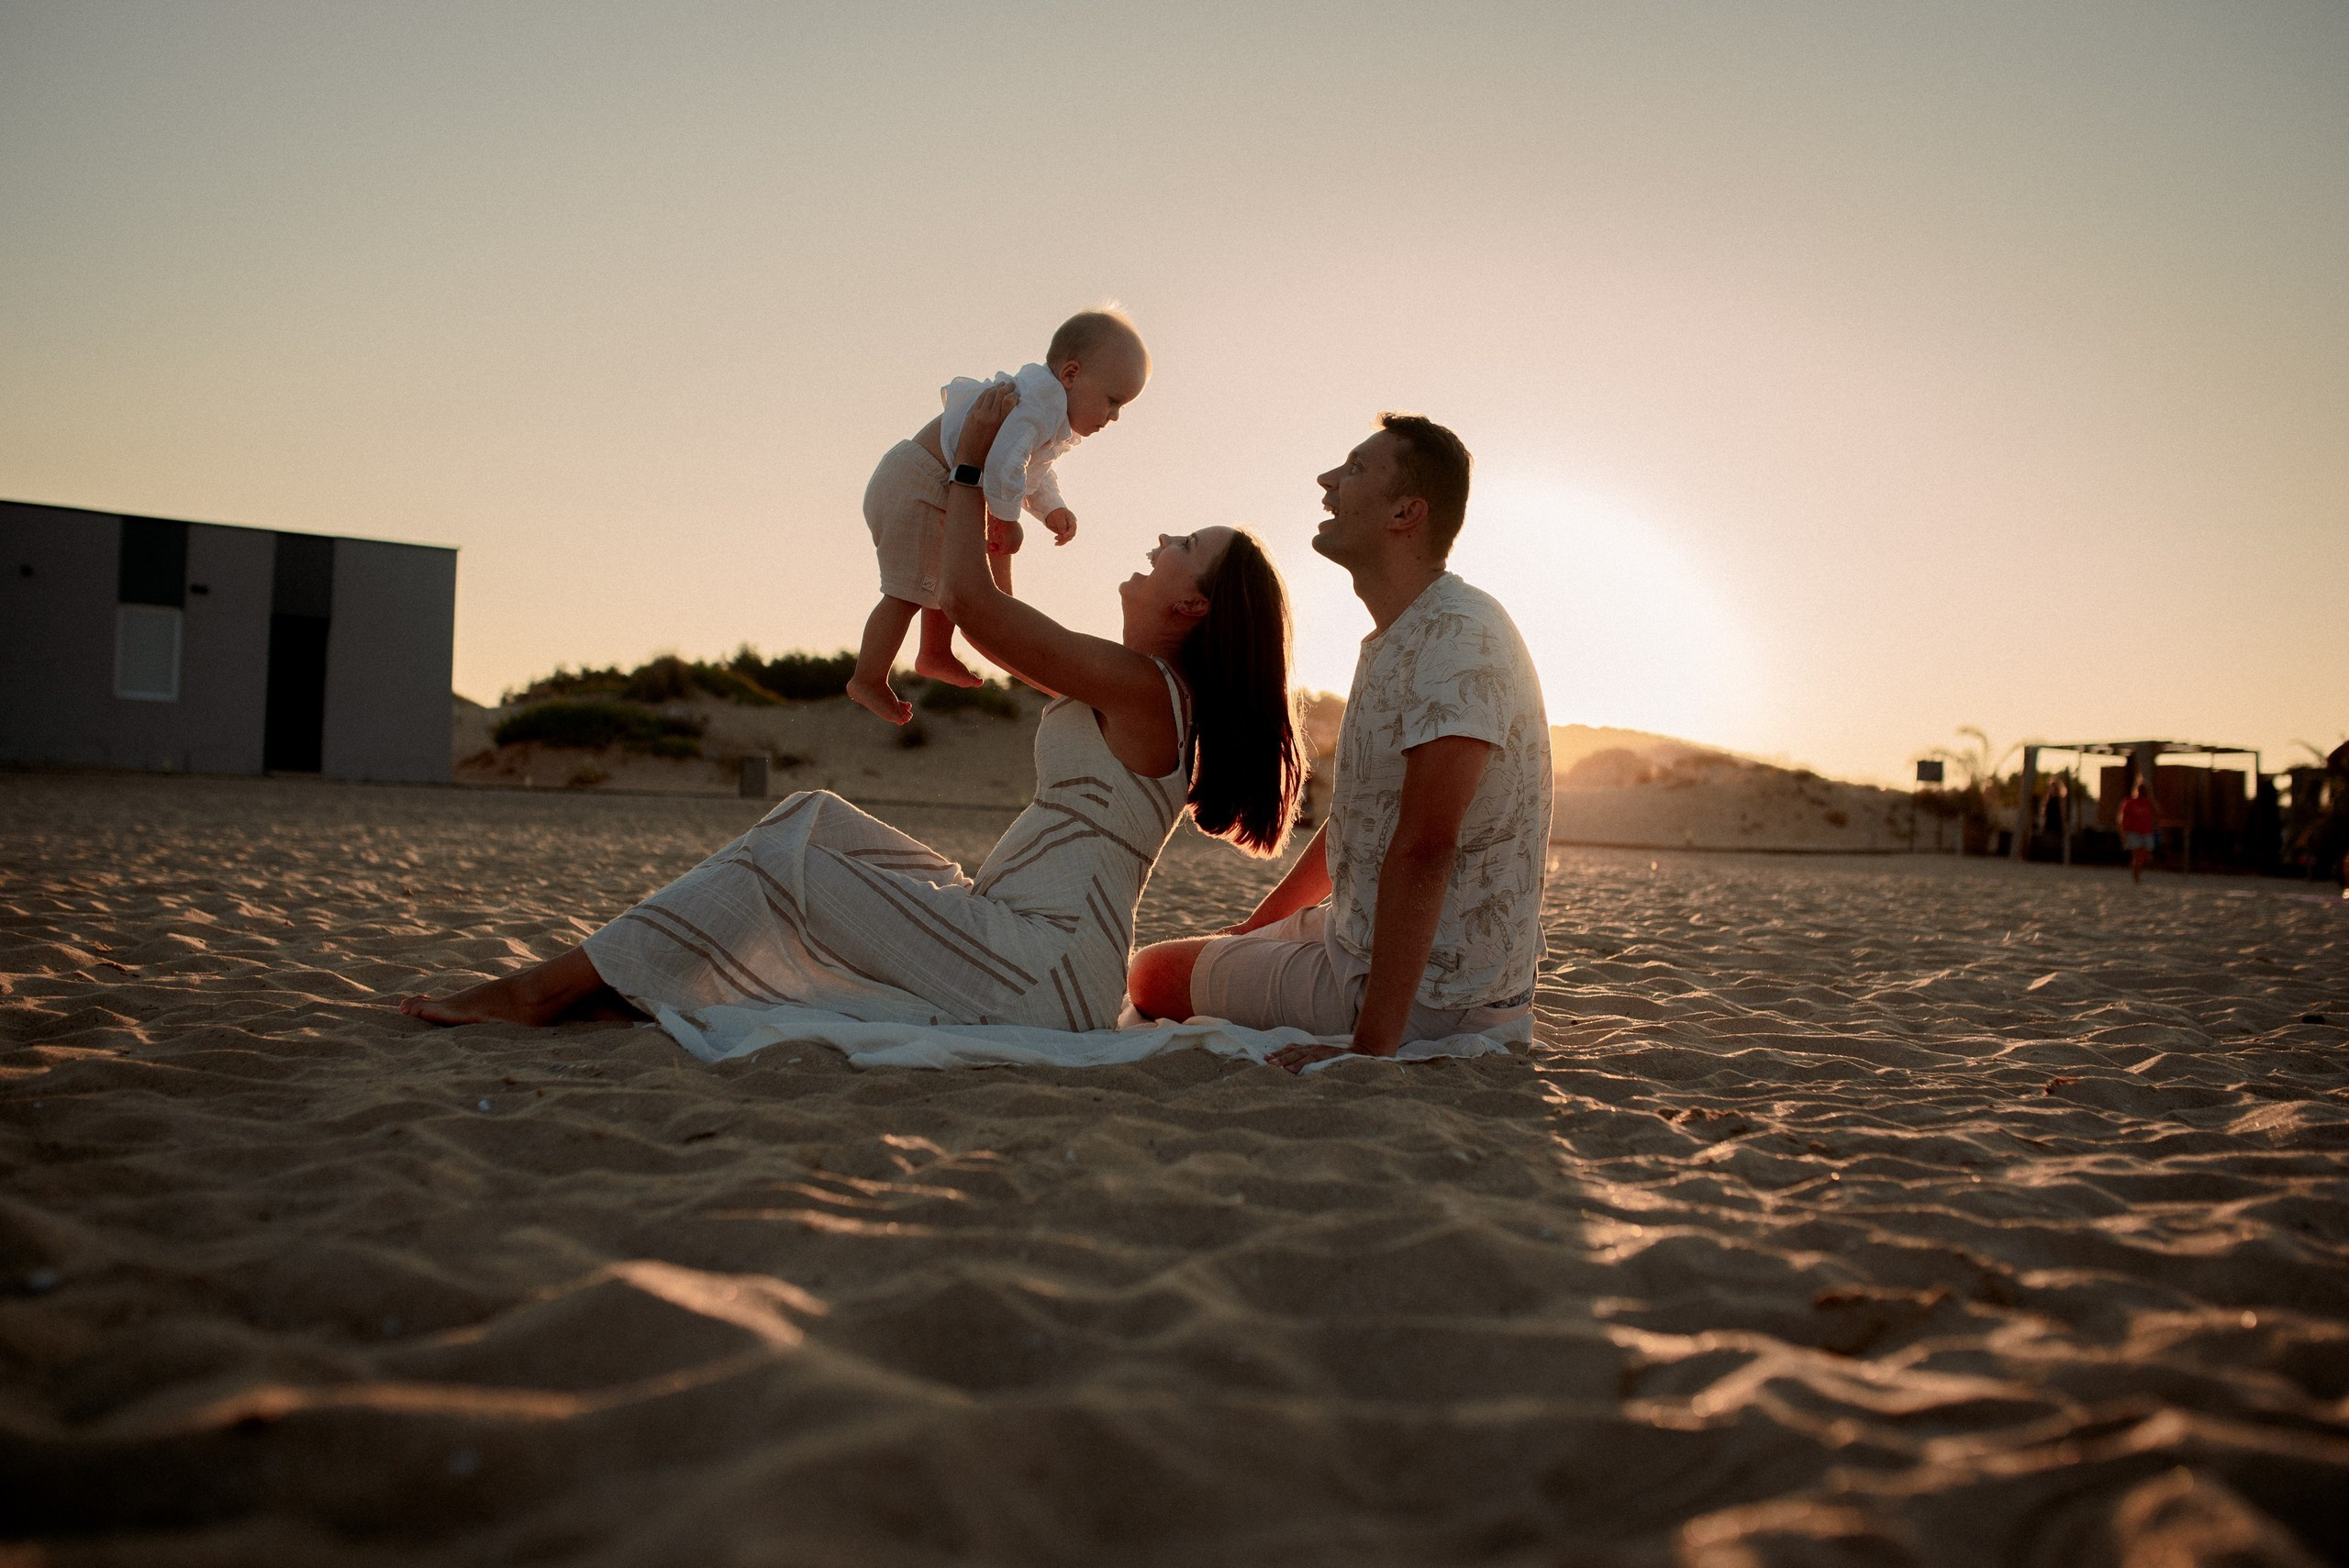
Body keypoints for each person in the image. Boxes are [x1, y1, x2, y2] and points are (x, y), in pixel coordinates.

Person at [402, 383, 1301, 1032]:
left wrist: (964, 467)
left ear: (1195, 607)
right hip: (1021, 940)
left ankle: (543, 990)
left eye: (1182, 545)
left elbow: (979, 611)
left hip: (1039, 969)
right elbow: (997, 629)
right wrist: (994, 513)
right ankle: (620, 978)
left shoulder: (1146, 689)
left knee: (786, 851)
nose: (1158, 541)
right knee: (814, 815)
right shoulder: (1131, 682)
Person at [1127, 414, 1553, 1073]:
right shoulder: (1405, 631)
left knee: (1149, 977)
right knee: (1191, 956)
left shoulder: (1458, 638)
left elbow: (1427, 845)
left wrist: (1368, 1048)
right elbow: (1361, 823)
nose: (1327, 482)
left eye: (1354, 469)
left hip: (1435, 994)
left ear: (1406, 512)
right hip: (1357, 938)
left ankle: (1378, 1024)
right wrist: (1252, 931)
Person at [846, 309, 1151, 724]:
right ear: (1072, 374)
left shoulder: (1048, 410)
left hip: (934, 484)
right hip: (917, 483)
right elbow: (1007, 461)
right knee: (904, 593)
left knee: (941, 575)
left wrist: (1051, 509)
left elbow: (1029, 471)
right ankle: (867, 677)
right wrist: (1006, 521)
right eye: (1113, 401)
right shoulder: (1039, 404)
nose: (1113, 416)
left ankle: (933, 653)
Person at [2118, 774, 2159, 884]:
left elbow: (2157, 812)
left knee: (2144, 857)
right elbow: (2121, 819)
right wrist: (2123, 834)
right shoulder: (2129, 802)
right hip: (2133, 832)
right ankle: (2136, 877)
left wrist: (2151, 796)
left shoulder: (2148, 802)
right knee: (2136, 856)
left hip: (2146, 832)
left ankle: (2137, 874)